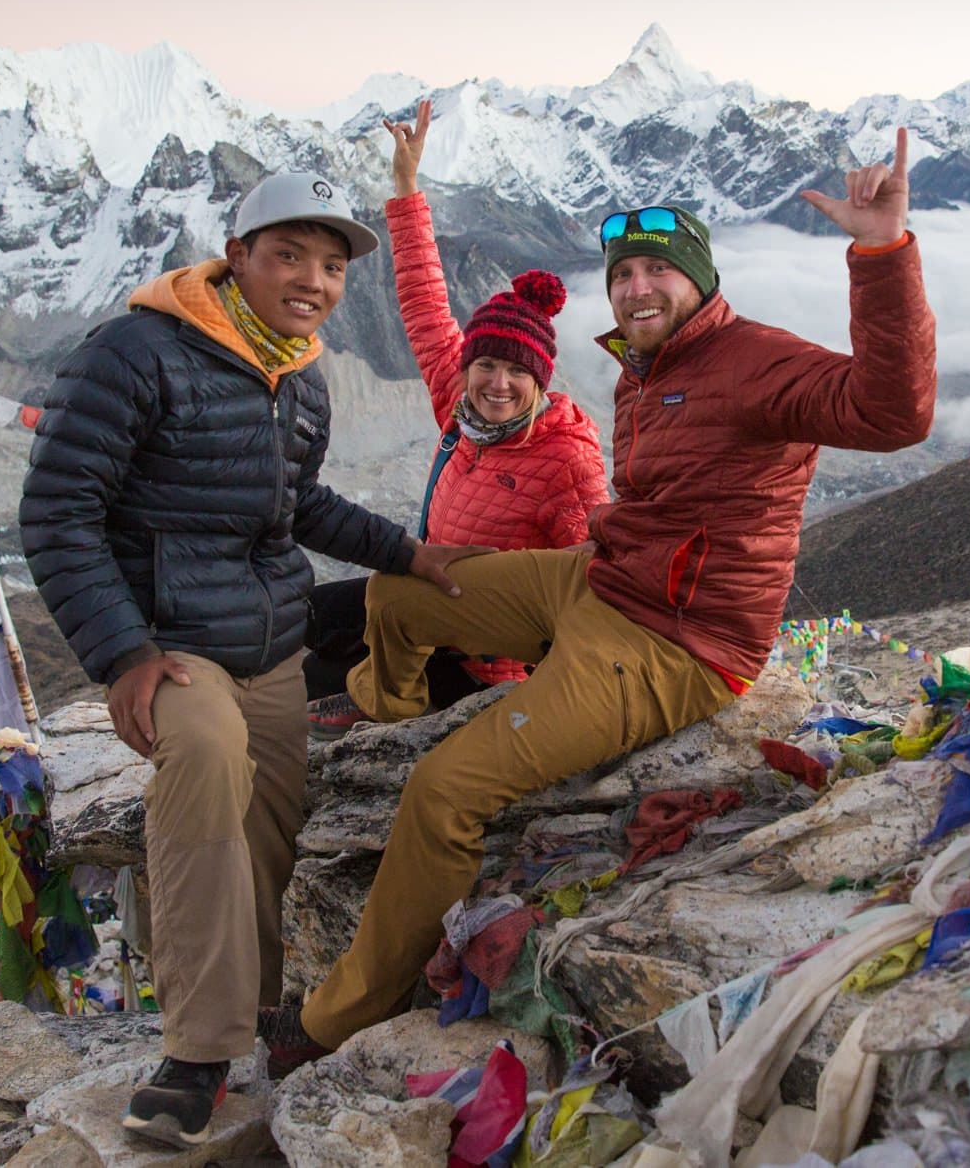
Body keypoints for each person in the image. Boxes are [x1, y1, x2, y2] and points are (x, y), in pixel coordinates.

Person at [283, 130, 936, 1063]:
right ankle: (386, 710)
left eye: (657, 272)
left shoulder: (755, 361)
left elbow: (894, 412)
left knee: (444, 790)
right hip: (601, 583)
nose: (636, 287)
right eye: (623, 271)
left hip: (676, 642)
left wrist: (881, 253)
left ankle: (335, 1016)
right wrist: (405, 191)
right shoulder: (648, 368)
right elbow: (436, 322)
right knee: (402, 590)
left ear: (700, 281)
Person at [19, 172, 486, 1148]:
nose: (312, 279)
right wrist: (123, 654)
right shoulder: (137, 352)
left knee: (269, 831)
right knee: (200, 765)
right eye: (288, 255)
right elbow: (58, 512)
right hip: (171, 649)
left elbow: (297, 509)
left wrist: (408, 554)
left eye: (330, 263)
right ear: (237, 257)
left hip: (270, 642)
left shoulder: (298, 377)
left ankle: (266, 1017)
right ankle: (196, 1047)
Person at [303, 100, 609, 737]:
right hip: (428, 601)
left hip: (485, 664)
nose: (499, 384)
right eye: (487, 364)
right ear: (468, 366)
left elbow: (589, 577)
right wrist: (406, 188)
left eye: (518, 373)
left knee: (319, 678)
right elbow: (422, 296)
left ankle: (388, 714)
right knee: (304, 620)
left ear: (539, 381)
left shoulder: (565, 459)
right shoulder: (458, 403)